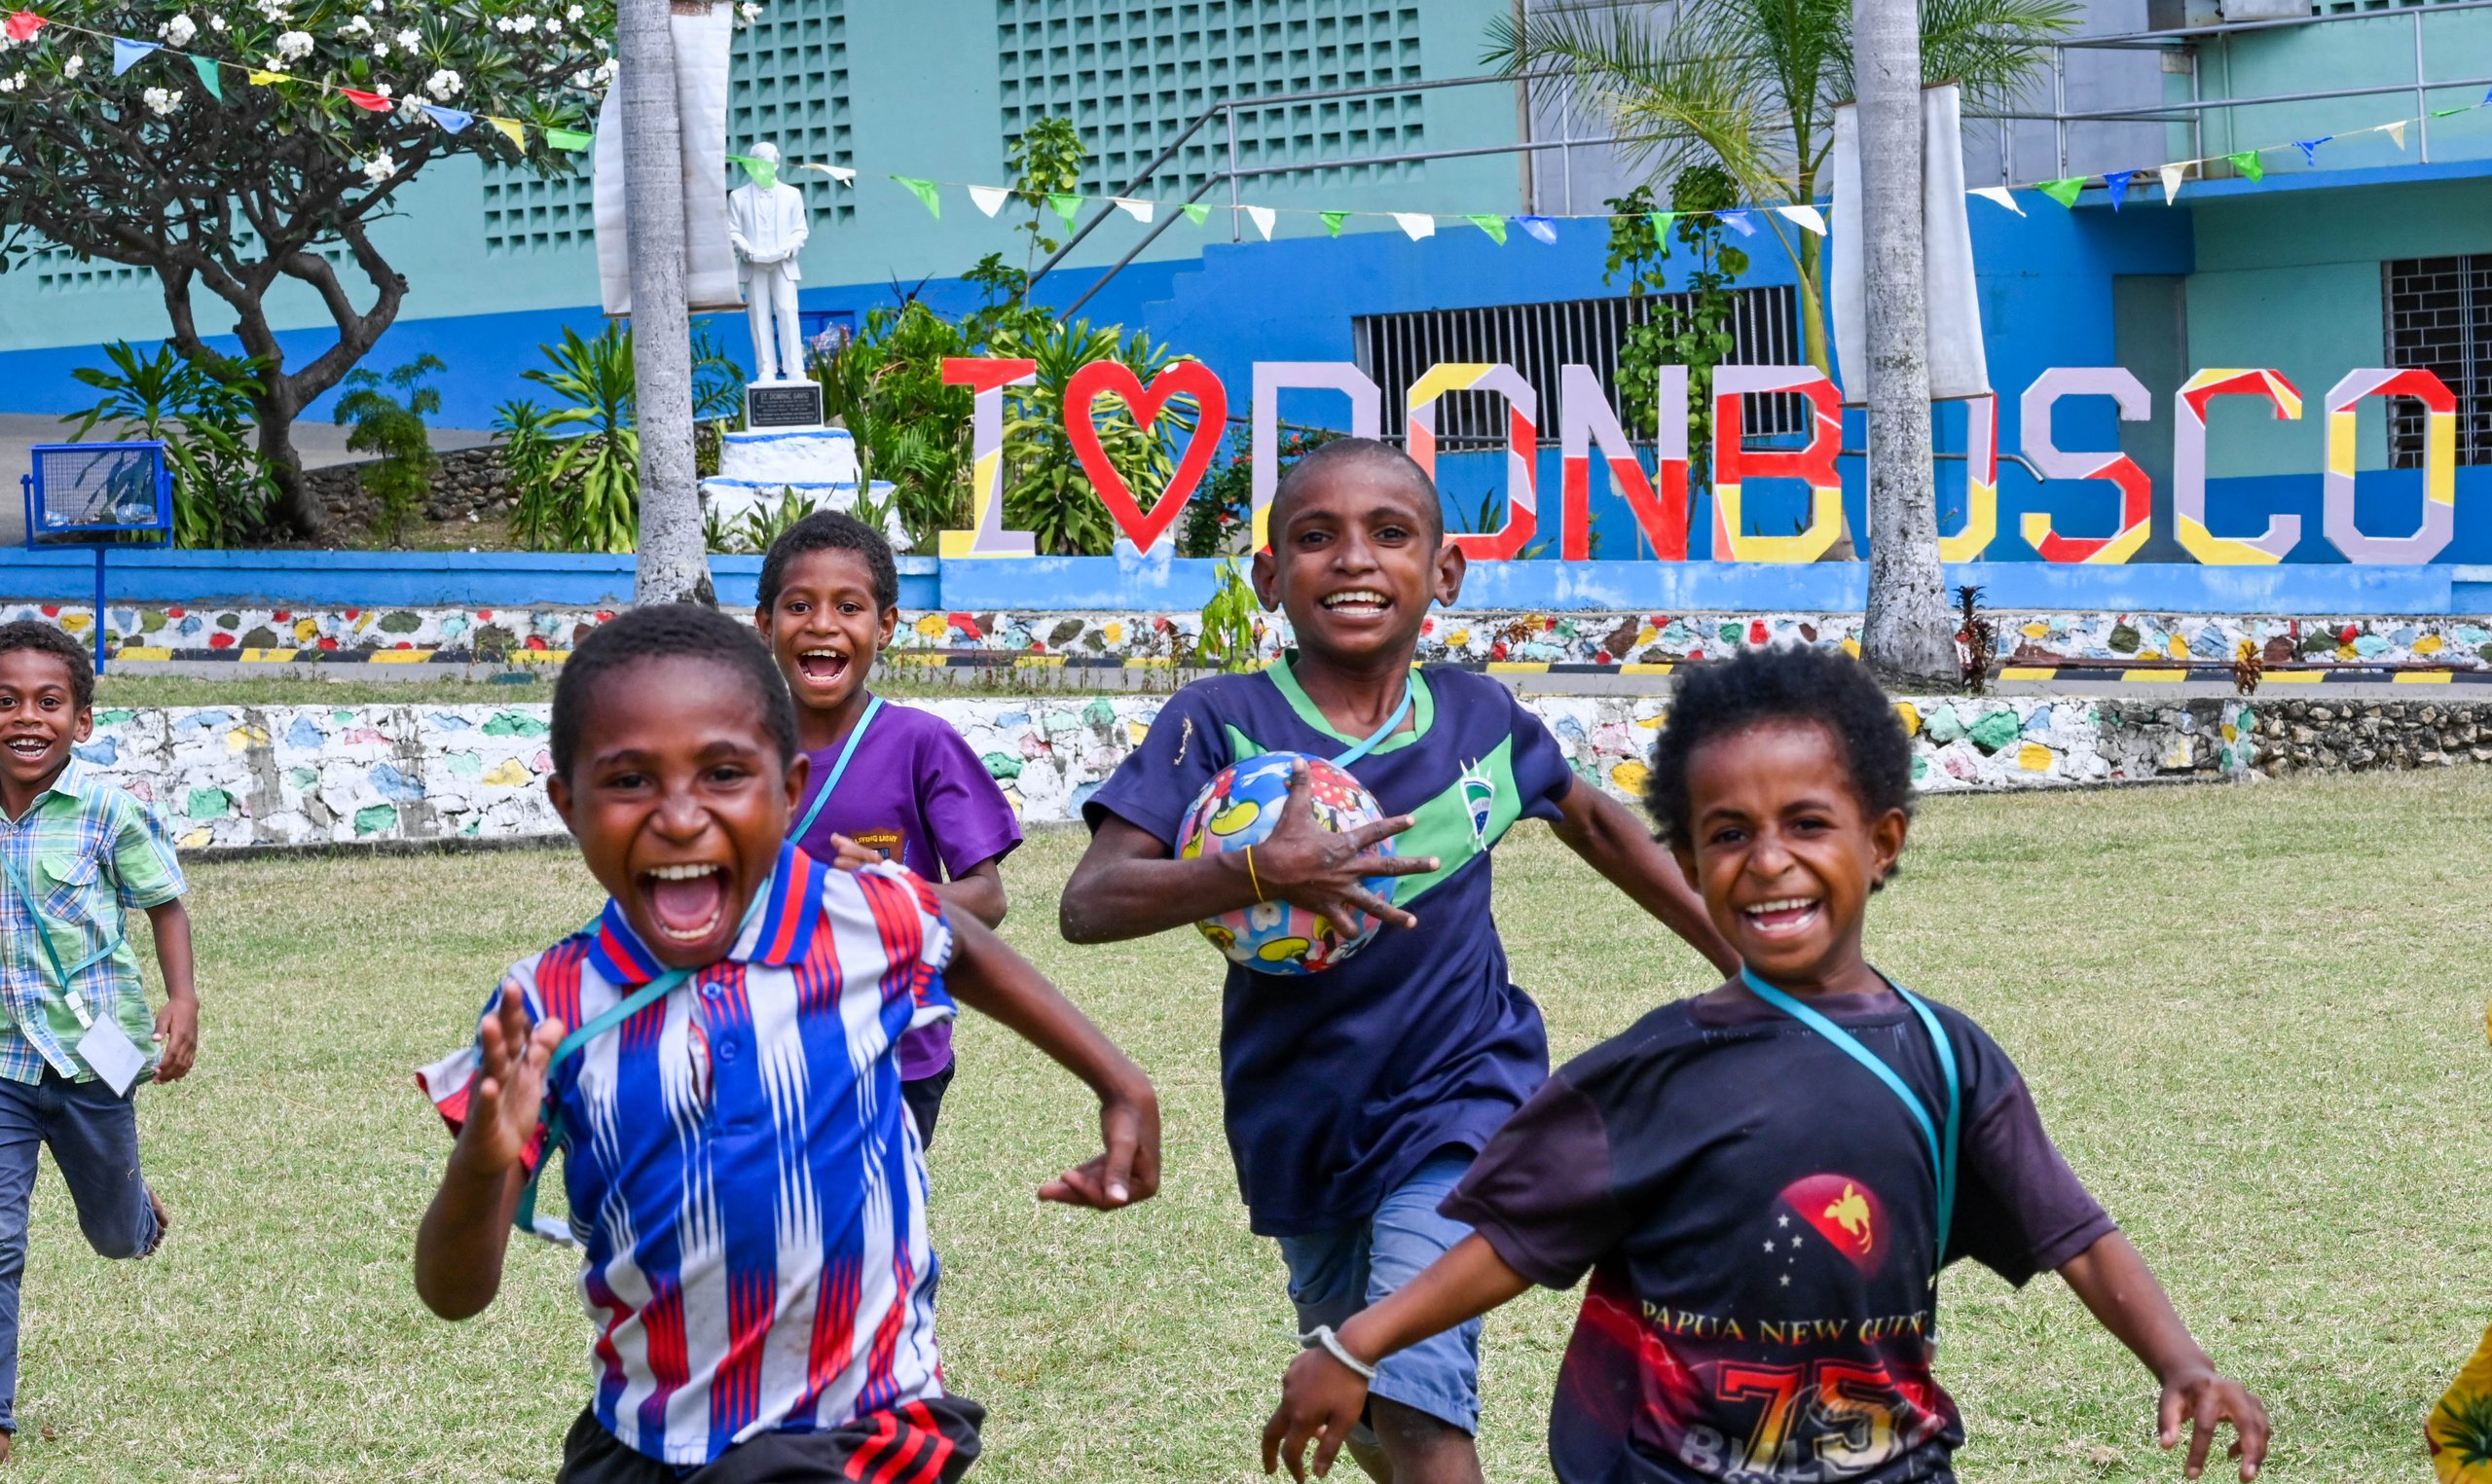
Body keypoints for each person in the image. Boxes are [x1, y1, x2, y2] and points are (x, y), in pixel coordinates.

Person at [1263, 643, 2271, 1484]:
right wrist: (1356, 1344)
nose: (1769, 859)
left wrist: (2181, 1361)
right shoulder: (1653, 1066)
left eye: (1807, 823)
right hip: (1666, 1462)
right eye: (1729, 834)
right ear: (1692, 868)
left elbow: (2074, 1233)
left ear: (1881, 843)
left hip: (1891, 1462)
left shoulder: (1945, 1057)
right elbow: (1511, 1244)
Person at [1063, 439, 1738, 1484]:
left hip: (1465, 1097)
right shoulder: (1219, 723)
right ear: (1267, 576)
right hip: (1304, 1122)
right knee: (1371, 1409)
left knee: (1417, 1403)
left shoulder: (1480, 719)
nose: (1353, 559)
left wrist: (1743, 960)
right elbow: (1090, 902)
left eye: (1389, 533)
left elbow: (1597, 825)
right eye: (1315, 536)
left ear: (1445, 572)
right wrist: (1256, 872)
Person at [412, 604, 1158, 1483]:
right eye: (629, 782)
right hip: (642, 1440)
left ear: (791, 788)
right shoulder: (544, 1009)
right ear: (567, 805)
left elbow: (963, 945)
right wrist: (481, 1162)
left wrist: (1119, 1081)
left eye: (724, 772)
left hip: (860, 1425)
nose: (680, 816)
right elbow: (453, 1294)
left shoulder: (861, 917)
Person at [755, 511, 1024, 1146]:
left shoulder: (920, 744)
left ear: (886, 626)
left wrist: (890, 895)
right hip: (760, 1041)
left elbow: (987, 898)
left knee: (869, 1230)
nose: (823, 624)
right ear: (764, 624)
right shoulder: (734, 753)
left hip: (895, 1053)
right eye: (799, 605)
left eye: (849, 606)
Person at [0, 621, 197, 1466]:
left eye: (49, 701)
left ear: (81, 720)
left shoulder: (110, 810)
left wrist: (183, 998)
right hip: (4, 1062)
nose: (25, 717)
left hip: (93, 1059)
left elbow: (164, 903)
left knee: (115, 1236)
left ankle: (136, 1206)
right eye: (5, 701)